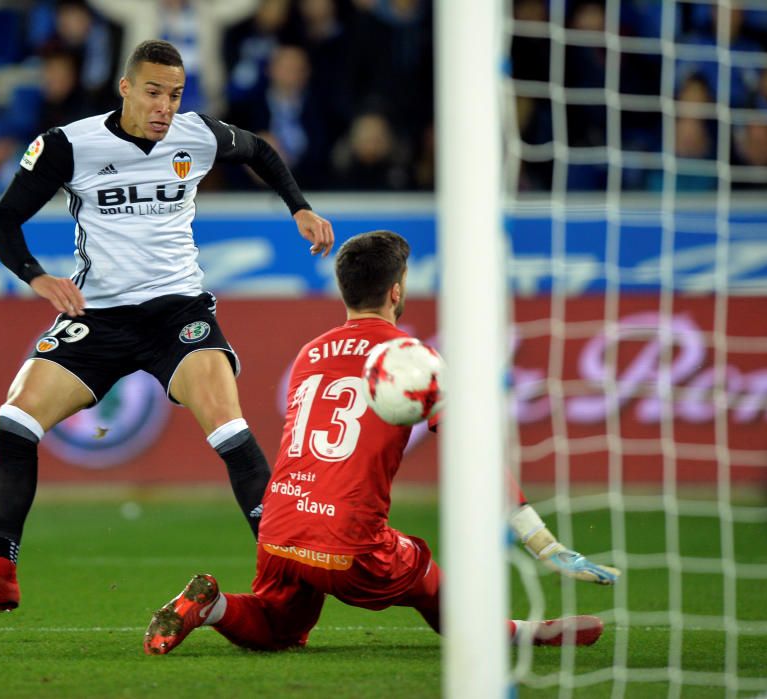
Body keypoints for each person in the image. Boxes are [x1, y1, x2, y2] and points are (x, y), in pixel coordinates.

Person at [0, 39, 334, 612]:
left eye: (174, 94)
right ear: (125, 88)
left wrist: (299, 207)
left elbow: (260, 152)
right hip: (99, 317)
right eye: (153, 92)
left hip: (179, 313)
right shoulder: (70, 145)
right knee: (16, 418)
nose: (165, 106)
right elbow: (3, 221)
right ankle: (1, 571)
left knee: (228, 427)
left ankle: (289, 579)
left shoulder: (196, 134)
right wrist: (37, 278)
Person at [143, 230, 616, 655]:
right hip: (348, 543)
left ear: (345, 290)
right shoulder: (412, 361)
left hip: (279, 526)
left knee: (280, 626)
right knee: (424, 577)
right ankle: (512, 633)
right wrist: (538, 538)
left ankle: (215, 606)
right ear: (397, 290)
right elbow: (472, 454)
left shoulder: (311, 352)